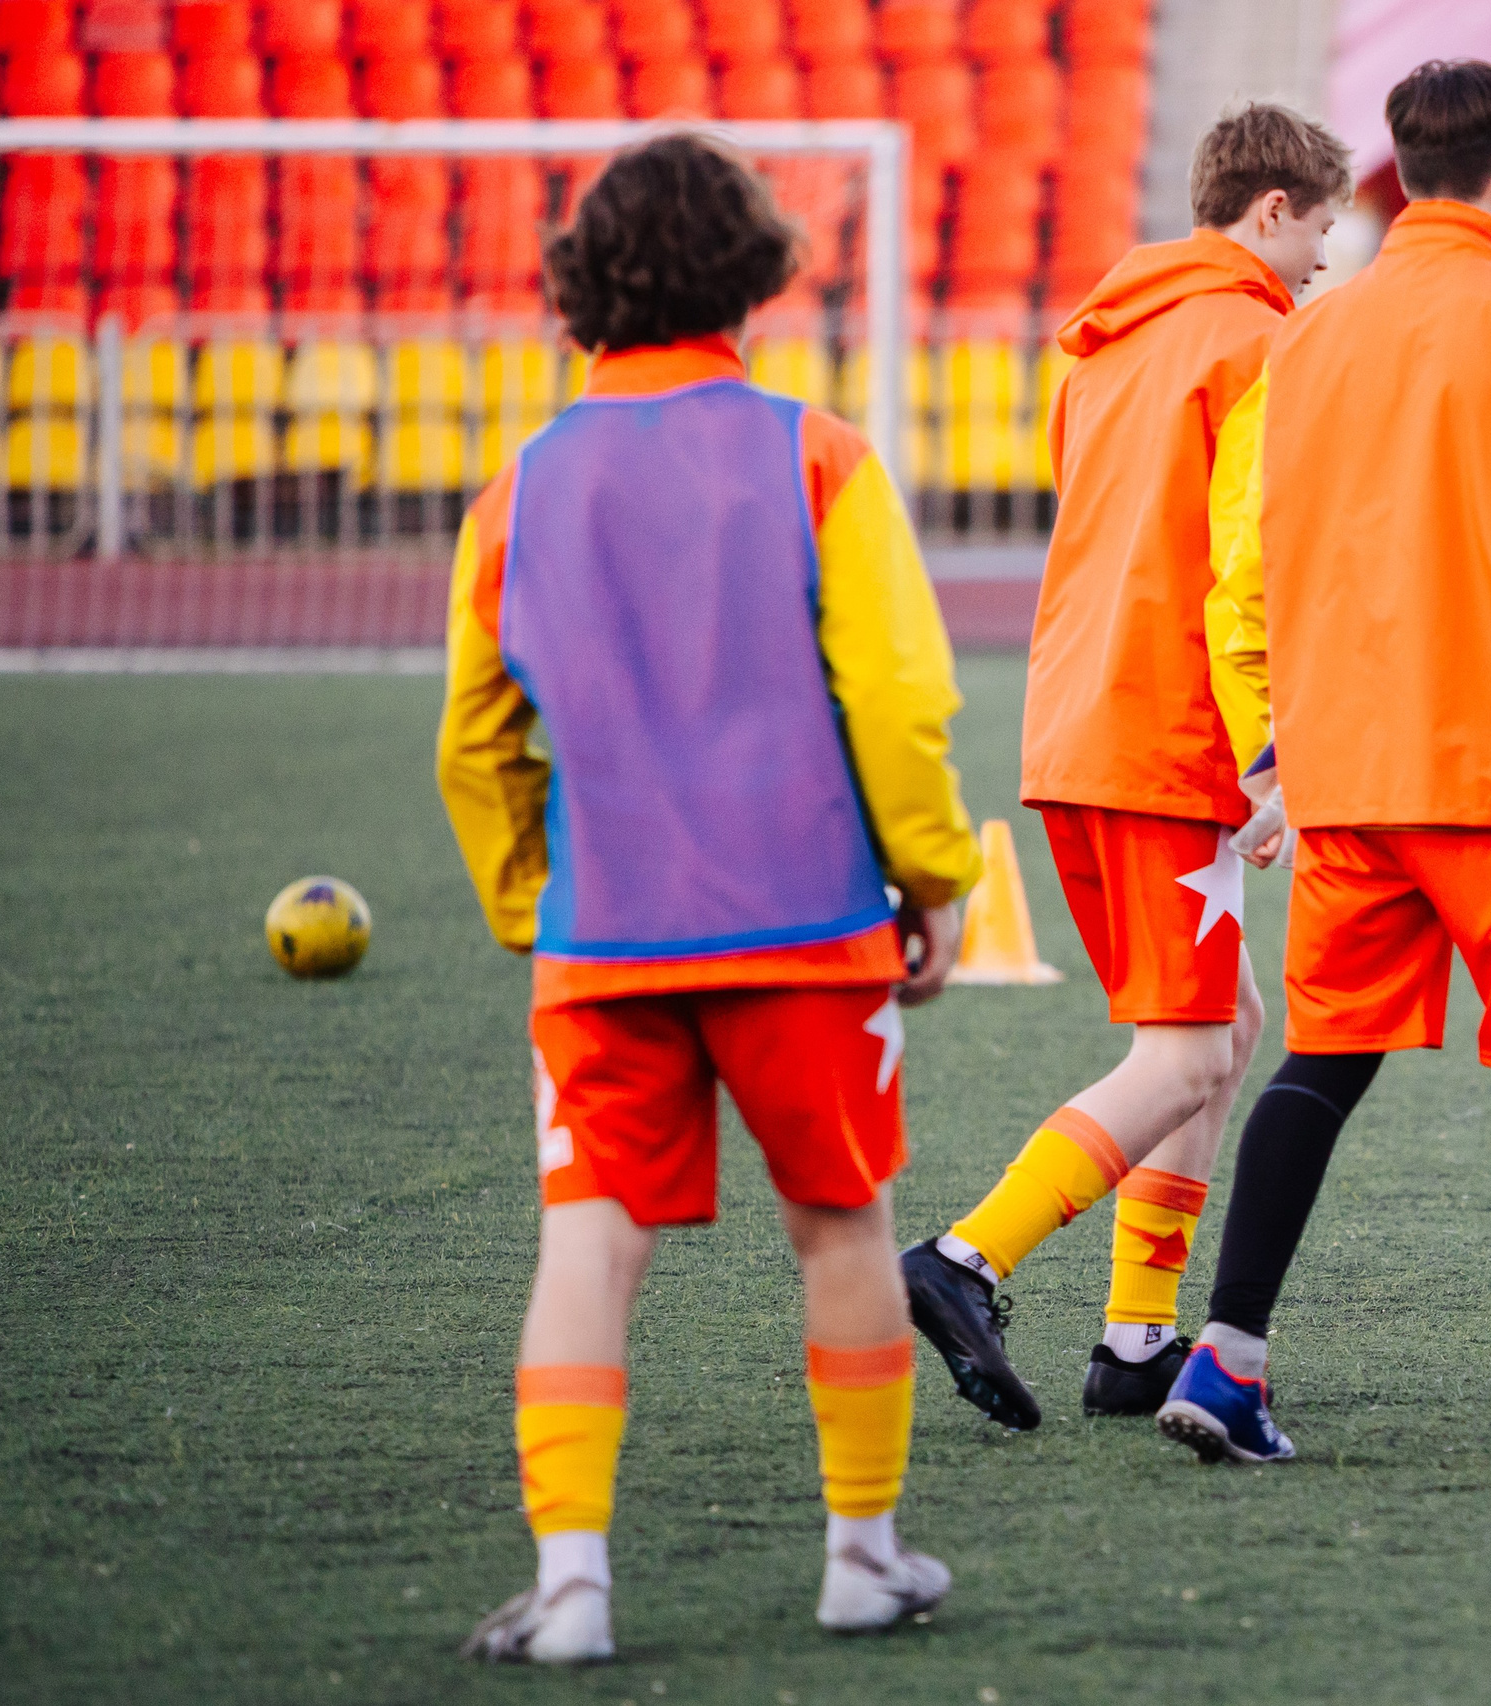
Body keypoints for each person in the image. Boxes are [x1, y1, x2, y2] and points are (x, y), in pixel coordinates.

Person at [437, 135, 981, 1661]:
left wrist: (532, 901)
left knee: (588, 1245)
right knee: (843, 1225)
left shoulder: (516, 489)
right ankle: (861, 1556)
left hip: (604, 939)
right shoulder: (820, 457)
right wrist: (932, 874)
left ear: (585, 289)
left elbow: (473, 743)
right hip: (807, 926)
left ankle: (572, 1587)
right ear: (754, 276)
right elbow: (897, 699)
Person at [1155, 59, 1491, 1468]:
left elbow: (1239, 572)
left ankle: (1226, 1358)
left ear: (1402, 170)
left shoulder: (1305, 336)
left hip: (1344, 774)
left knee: (1319, 1067)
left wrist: (1267, 749)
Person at [900, 104, 1353, 1430]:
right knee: (1190, 1048)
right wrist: (1273, 748)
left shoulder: (1103, 339)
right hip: (1171, 726)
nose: (1325, 257)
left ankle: (1136, 1338)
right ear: (1272, 210)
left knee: (1222, 1028)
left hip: (1075, 718)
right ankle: (968, 1255)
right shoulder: (1262, 343)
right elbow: (1254, 562)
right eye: (1322, 229)